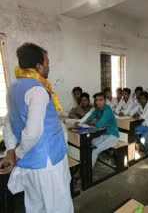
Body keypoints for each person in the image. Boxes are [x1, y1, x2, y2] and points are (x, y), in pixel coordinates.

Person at [0, 43, 73, 212]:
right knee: (59, 206)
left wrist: (11, 150)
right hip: (47, 162)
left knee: (36, 206)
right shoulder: (38, 90)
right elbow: (33, 132)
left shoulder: (12, 87)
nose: (49, 67)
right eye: (47, 63)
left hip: (30, 163)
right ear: (39, 67)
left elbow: (9, 122)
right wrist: (17, 154)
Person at [85, 92, 119, 167]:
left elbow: (99, 125)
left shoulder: (108, 110)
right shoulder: (97, 109)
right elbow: (88, 120)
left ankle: (88, 174)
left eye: (101, 100)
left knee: (95, 151)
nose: (99, 102)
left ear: (105, 101)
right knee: (88, 144)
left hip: (112, 136)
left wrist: (96, 121)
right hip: (103, 135)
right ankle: (87, 166)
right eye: (97, 100)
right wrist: (97, 121)